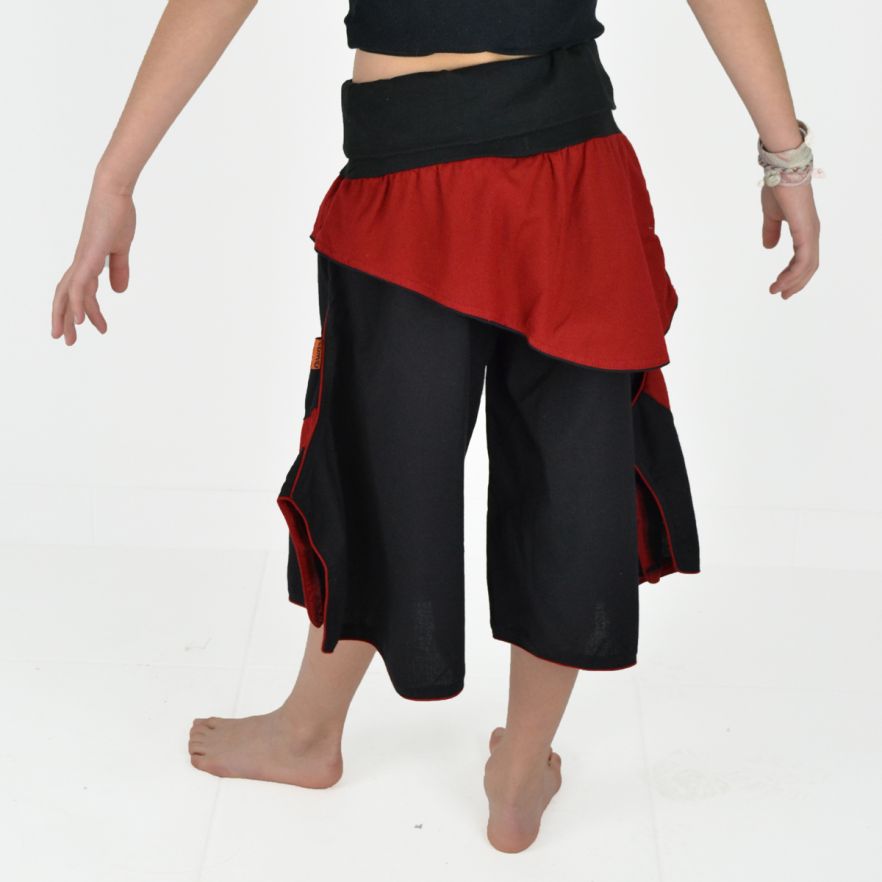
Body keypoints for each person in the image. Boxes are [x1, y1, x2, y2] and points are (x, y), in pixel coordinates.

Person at [50, 0, 821, 855]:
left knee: (380, 463)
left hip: (412, 175)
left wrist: (116, 178)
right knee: (569, 476)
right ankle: (518, 774)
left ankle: (311, 733)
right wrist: (786, 159)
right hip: (569, 170)